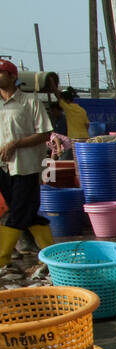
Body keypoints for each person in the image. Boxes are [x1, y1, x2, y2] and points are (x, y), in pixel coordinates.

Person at [0, 59, 54, 272]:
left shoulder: (29, 102)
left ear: (12, 76)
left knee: (19, 213)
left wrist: (16, 143)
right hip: (4, 168)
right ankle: (51, 254)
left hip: (26, 166)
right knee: (26, 212)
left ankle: (2, 259)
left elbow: (45, 133)